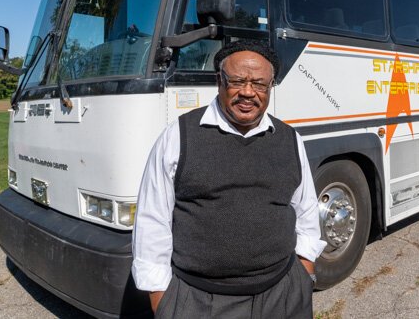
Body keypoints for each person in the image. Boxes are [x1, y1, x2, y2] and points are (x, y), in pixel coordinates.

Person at [132, 39, 326, 318]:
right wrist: (163, 302)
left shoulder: (290, 139)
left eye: (259, 84)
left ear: (270, 87)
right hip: (199, 301)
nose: (248, 92)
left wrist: (303, 274)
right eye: (237, 81)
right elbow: (152, 222)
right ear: (219, 81)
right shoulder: (179, 136)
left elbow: (306, 211)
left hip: (283, 295)